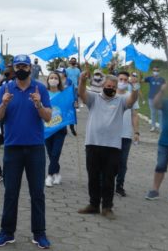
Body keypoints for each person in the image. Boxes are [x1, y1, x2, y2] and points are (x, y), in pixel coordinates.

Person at [0, 54, 52, 249]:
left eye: (24, 66)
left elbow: (48, 117)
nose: (21, 69)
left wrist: (39, 104)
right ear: (13, 67)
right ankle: (7, 232)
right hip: (12, 148)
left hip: (35, 148)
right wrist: (4, 103)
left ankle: (39, 233)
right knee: (10, 192)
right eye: (18, 66)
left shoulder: (40, 88)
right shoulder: (6, 88)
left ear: (30, 68)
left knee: (37, 193)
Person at [77, 65, 138, 220]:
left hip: (112, 146)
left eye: (113, 87)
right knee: (93, 177)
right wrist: (82, 80)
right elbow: (81, 93)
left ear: (116, 88)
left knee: (109, 178)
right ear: (103, 86)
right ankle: (93, 204)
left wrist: (135, 86)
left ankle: (107, 207)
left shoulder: (121, 100)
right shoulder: (94, 97)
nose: (110, 88)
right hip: (92, 143)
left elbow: (132, 99)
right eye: (108, 86)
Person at [114, 71, 140, 197]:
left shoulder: (131, 96)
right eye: (120, 79)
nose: (122, 82)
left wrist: (136, 132)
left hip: (125, 134)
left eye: (125, 80)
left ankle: (119, 185)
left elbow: (135, 115)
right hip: (111, 134)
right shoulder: (110, 94)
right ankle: (105, 183)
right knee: (109, 161)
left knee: (122, 162)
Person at [44, 72, 67, 187]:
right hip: (47, 128)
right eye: (51, 78)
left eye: (55, 78)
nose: (53, 79)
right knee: (51, 153)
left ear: (59, 80)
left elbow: (68, 109)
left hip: (60, 128)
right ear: (47, 80)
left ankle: (49, 176)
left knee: (55, 153)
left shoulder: (63, 94)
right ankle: (57, 173)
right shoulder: (44, 93)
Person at [143, 67, 166, 132]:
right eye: (154, 70)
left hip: (160, 99)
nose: (156, 71)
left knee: (160, 113)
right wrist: (140, 74)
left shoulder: (162, 79)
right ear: (152, 71)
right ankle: (153, 126)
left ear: (159, 72)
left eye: (157, 70)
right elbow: (141, 80)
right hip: (151, 98)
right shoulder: (150, 78)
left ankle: (161, 128)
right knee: (153, 113)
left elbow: (165, 87)